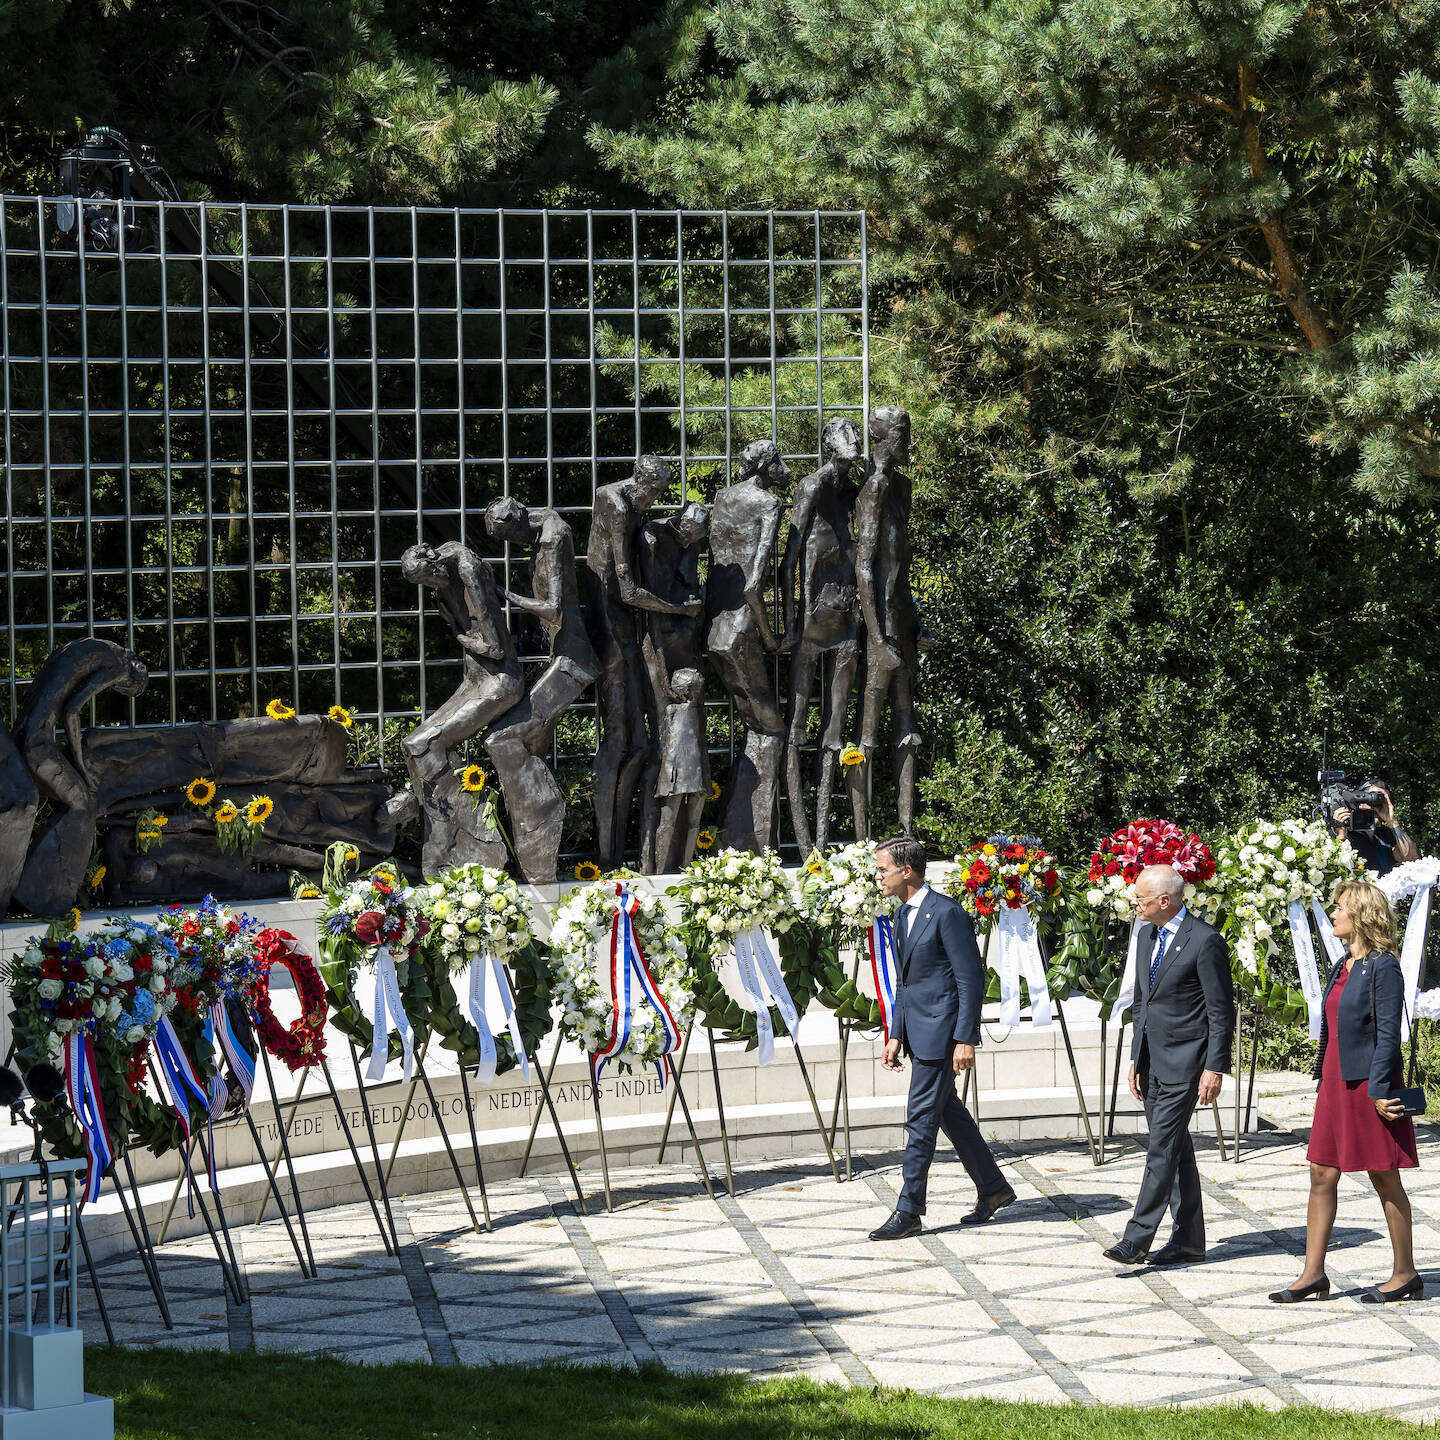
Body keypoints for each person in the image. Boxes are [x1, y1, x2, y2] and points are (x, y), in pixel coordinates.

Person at [1270, 880, 1422, 1304]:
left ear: (1360, 915)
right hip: (1336, 1085)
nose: (1333, 914)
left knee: (1383, 1176)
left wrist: (1378, 1090)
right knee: (1321, 1173)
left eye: (1339, 908)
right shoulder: (1342, 964)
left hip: (1370, 1089)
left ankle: (1406, 1273)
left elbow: (1390, 1035)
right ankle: (1312, 1274)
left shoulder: (1384, 966)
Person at [868, 835, 1015, 1240]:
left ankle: (909, 1209)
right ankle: (994, 1188)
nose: (878, 876)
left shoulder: (946, 913)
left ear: (906, 871)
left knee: (920, 1121)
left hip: (942, 1035)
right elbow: (906, 983)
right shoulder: (901, 916)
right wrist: (895, 1034)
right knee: (950, 1114)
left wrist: (966, 1039)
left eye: (883, 869)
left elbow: (970, 980)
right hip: (917, 1033)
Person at [1104, 863, 1235, 1266]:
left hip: (1187, 1063)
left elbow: (1220, 1010)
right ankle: (1190, 1239)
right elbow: (1143, 1001)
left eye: (1140, 897)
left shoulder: (1205, 940)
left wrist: (1215, 1067)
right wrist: (1134, 1059)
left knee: (1160, 1148)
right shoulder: (1146, 936)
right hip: (1152, 1061)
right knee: (1177, 1151)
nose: (1134, 903)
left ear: (1165, 900)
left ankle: (1137, 1237)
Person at [1333, 780, 1419, 878]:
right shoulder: (1346, 833)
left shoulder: (1386, 834)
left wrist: (1392, 821)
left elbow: (1412, 860)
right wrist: (1341, 835)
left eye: (1382, 801)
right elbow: (1335, 871)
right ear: (1360, 801)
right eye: (1372, 798)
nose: (1377, 806)